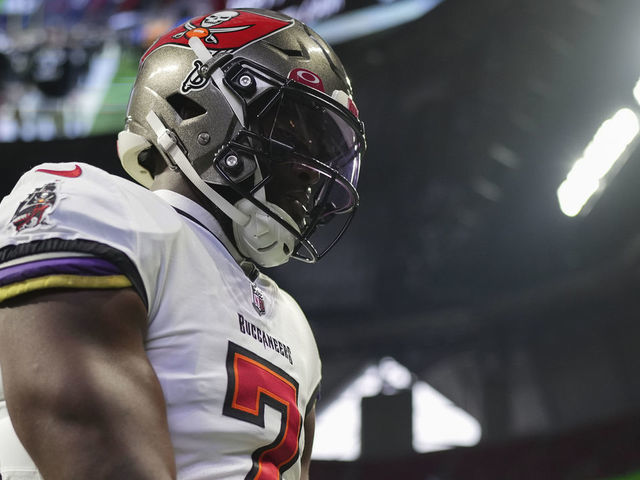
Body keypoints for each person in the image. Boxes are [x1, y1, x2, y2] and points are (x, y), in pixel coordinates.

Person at [0, 8, 365, 480]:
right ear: (195, 106)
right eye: (292, 129)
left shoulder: (292, 323)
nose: (309, 170)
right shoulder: (92, 206)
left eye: (324, 151)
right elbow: (83, 433)